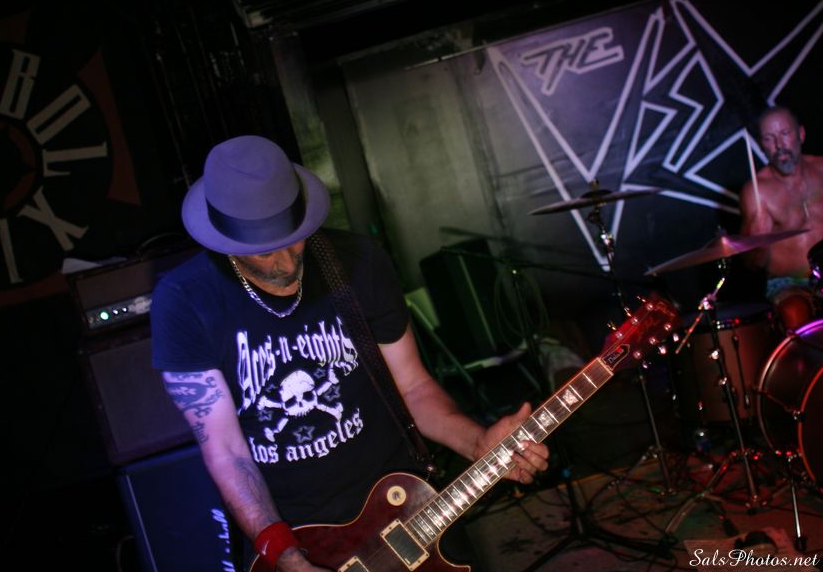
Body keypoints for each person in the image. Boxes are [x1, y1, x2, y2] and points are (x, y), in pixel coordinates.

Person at [150, 135, 550, 571]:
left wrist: (477, 443)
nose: (288, 261)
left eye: (295, 237)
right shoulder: (185, 301)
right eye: (264, 251)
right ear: (228, 244)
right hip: (297, 533)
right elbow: (226, 450)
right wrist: (285, 554)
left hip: (401, 505)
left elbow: (413, 387)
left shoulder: (356, 262)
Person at [739, 105, 823, 331]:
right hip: (788, 283)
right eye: (769, 139)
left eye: (785, 134)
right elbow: (752, 264)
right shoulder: (756, 191)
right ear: (762, 145)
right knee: (793, 310)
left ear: (801, 134)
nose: (779, 145)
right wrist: (759, 242)